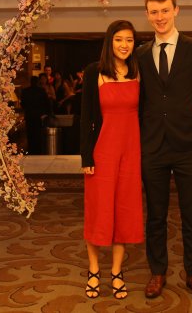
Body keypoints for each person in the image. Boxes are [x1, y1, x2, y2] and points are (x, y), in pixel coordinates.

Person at [136, 0, 192, 302]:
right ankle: (157, 272)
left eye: (165, 11)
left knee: (191, 215)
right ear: (147, 14)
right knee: (155, 215)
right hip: (153, 146)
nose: (160, 17)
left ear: (176, 10)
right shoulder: (141, 54)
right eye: (154, 12)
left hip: (188, 146)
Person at [79, 20, 143, 300]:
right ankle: (94, 269)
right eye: (119, 39)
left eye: (129, 40)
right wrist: (86, 155)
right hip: (102, 152)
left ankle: (116, 271)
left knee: (124, 212)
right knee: (99, 210)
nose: (124, 45)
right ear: (109, 42)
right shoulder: (94, 71)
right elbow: (86, 118)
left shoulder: (139, 71)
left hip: (131, 152)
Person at [20, 76, 51, 154]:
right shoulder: (41, 91)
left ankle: (31, 150)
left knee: (30, 134)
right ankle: (38, 150)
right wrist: (46, 113)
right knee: (38, 134)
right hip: (38, 115)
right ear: (38, 82)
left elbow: (22, 104)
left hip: (29, 115)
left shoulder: (25, 91)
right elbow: (46, 103)